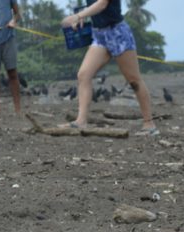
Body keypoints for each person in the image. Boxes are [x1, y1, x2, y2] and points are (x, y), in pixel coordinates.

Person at [61, 0, 157, 134]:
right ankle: (81, 121)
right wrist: (79, 17)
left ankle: (149, 124)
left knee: (134, 80)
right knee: (83, 75)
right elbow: (92, 5)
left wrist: (79, 16)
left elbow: (102, 4)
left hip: (118, 33)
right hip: (99, 35)